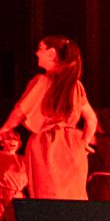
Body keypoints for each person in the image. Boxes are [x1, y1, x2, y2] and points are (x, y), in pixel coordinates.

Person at [0, 36, 98, 201]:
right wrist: (83, 143)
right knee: (73, 199)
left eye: (41, 48)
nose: (36, 52)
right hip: (73, 147)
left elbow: (20, 112)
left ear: (52, 53)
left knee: (48, 198)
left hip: (47, 146)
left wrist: (3, 129)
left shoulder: (42, 82)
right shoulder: (76, 86)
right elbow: (91, 120)